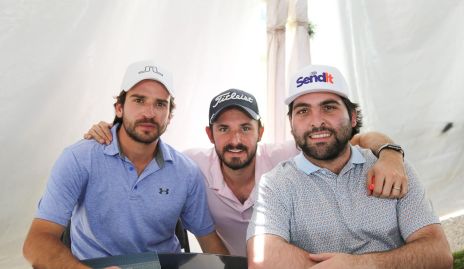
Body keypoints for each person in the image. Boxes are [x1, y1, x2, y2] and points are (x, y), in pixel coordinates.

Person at [85, 88, 408, 257]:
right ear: (210, 135)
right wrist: (107, 130)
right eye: (224, 129)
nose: (236, 140)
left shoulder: (287, 155)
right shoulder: (188, 166)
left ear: (261, 131)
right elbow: (139, 149)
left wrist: (391, 154)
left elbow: (359, 139)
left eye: (245, 128)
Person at [23, 60, 228, 269]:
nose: (149, 113)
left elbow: (208, 239)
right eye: (139, 100)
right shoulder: (79, 158)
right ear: (119, 108)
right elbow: (37, 242)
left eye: (160, 104)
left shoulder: (186, 172)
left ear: (169, 116)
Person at [246, 64, 453, 268]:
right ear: (291, 123)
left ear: (353, 117)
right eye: (303, 111)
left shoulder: (393, 169)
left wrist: (360, 265)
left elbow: (438, 253)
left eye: (328, 107)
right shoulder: (275, 183)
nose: (316, 122)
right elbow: (263, 258)